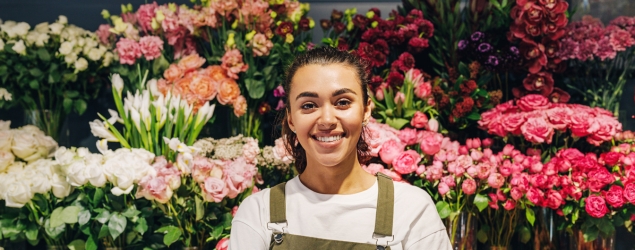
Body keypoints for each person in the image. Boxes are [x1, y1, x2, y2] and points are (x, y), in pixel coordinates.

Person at [229, 47, 451, 249]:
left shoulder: (410, 208)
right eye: (308, 105)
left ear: (365, 110)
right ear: (291, 119)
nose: (326, 119)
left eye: (343, 102)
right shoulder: (258, 212)